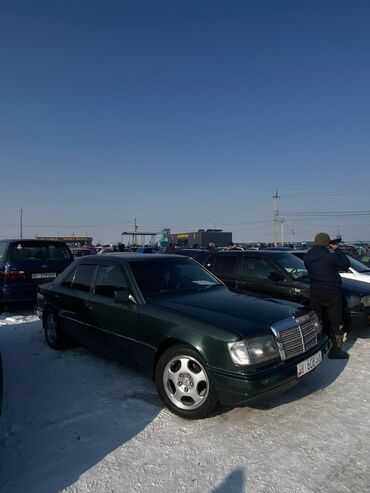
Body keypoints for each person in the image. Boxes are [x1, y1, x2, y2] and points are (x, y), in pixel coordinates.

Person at [304, 232, 351, 359]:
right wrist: (337, 249)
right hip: (331, 292)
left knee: (318, 320)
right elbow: (346, 264)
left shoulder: (307, 256)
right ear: (327, 243)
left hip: (315, 291)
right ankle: (335, 351)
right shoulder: (329, 256)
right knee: (335, 321)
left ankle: (317, 347)